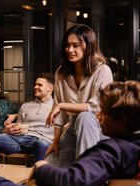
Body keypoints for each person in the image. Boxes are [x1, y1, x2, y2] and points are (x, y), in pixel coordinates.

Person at [0, 81, 140, 186]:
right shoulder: (132, 145)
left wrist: (41, 167)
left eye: (104, 112)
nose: (98, 115)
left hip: (40, 144)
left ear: (121, 119)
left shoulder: (112, 150)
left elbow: (73, 181)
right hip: (19, 137)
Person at [45, 24, 113, 167]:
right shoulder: (61, 73)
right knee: (47, 168)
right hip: (73, 128)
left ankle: (87, 174)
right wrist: (56, 141)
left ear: (88, 46)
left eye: (76, 45)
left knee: (85, 117)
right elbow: (60, 115)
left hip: (98, 127)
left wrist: (62, 105)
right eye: (67, 45)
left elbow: (96, 107)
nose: (70, 50)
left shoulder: (103, 71)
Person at [0, 73, 54, 163]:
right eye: (35, 84)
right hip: (19, 140)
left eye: (39, 85)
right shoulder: (26, 106)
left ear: (49, 88)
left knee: (42, 143)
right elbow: (19, 125)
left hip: (40, 141)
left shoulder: (56, 107)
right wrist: (11, 128)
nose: (35, 87)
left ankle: (37, 174)